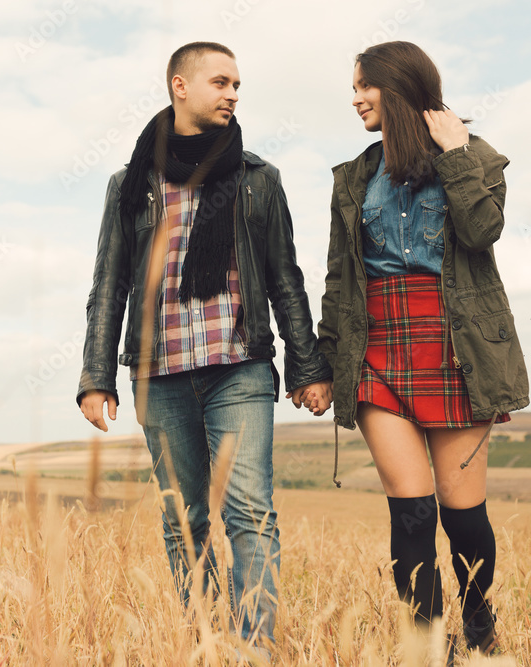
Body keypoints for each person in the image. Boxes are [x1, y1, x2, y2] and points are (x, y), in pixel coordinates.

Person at [77, 42, 332, 651]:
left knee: (250, 513)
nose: (233, 94)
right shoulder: (132, 185)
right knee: (186, 522)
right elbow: (108, 282)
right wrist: (95, 375)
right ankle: (204, 642)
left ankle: (254, 651)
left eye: (238, 85)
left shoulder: (257, 179)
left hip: (239, 368)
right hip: (157, 376)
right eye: (221, 82)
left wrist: (307, 365)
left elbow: (284, 277)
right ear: (179, 86)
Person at [315, 41, 529, 656]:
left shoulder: (476, 157)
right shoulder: (353, 177)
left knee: (463, 519)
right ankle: (427, 646)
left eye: (364, 86)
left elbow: (482, 231)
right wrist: (330, 365)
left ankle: (479, 625)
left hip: (455, 347)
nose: (355, 98)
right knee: (410, 514)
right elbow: (339, 277)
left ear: (400, 87)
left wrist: (456, 154)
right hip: (377, 346)